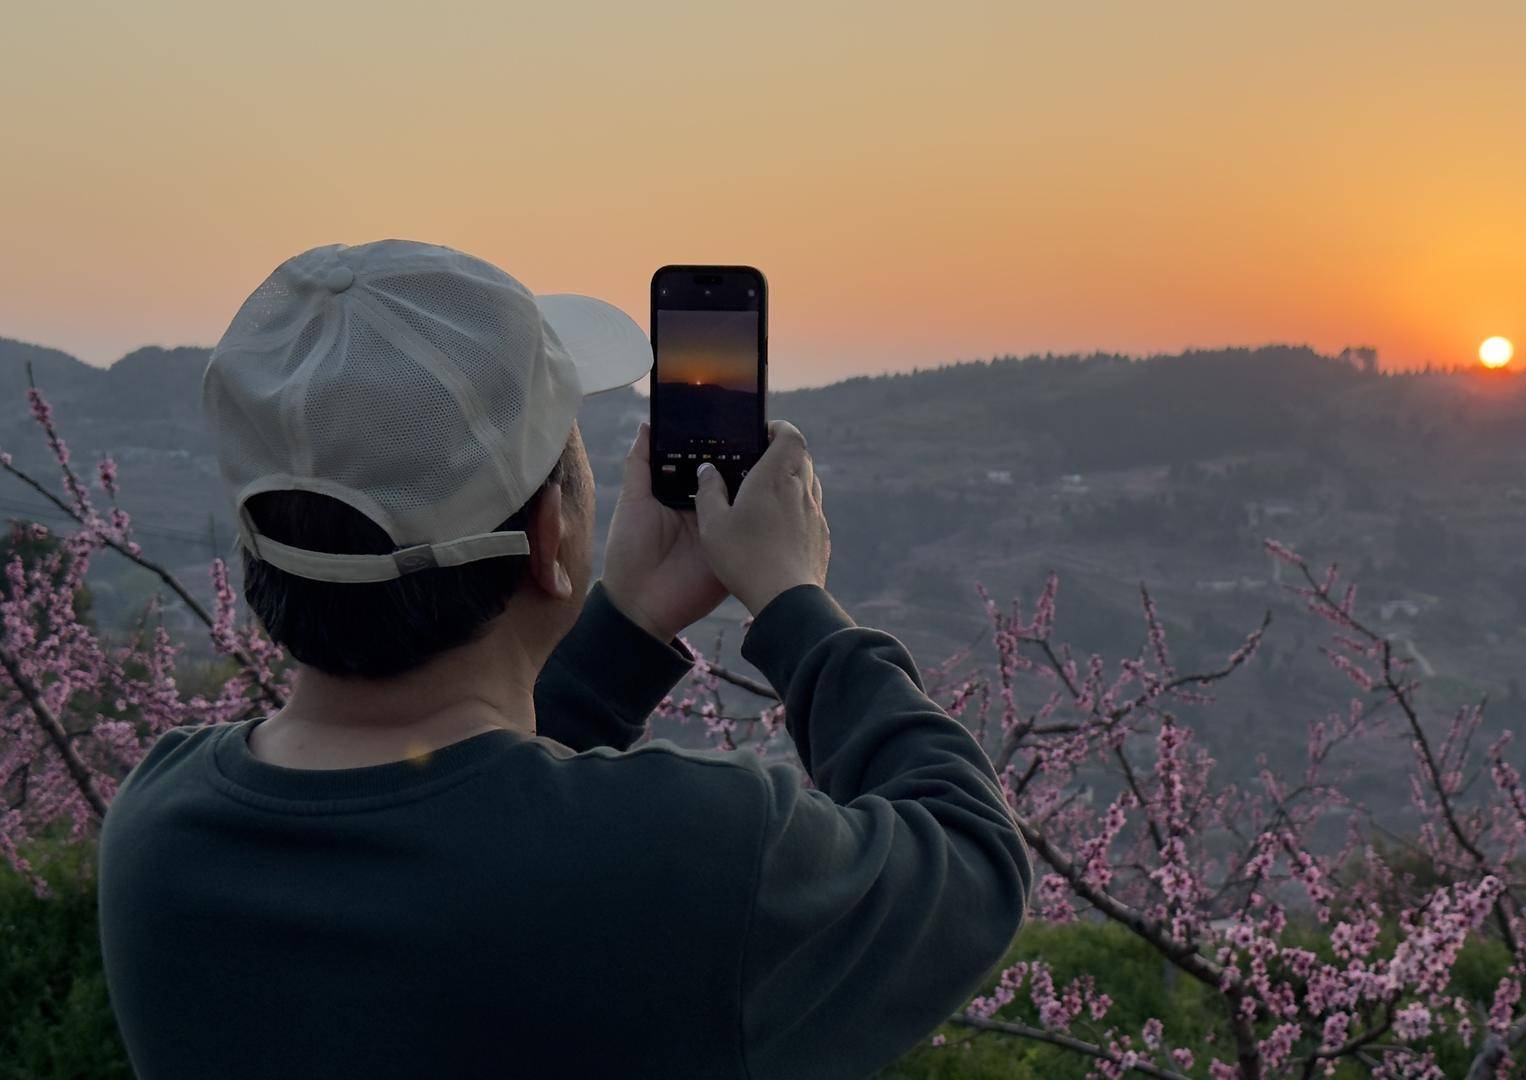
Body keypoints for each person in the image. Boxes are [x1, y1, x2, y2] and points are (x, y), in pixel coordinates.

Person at [96, 239, 1032, 1079]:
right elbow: (974, 862)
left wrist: (624, 628)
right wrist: (794, 600)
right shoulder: (693, 857)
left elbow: (472, 837)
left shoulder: (160, 830)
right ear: (552, 535)